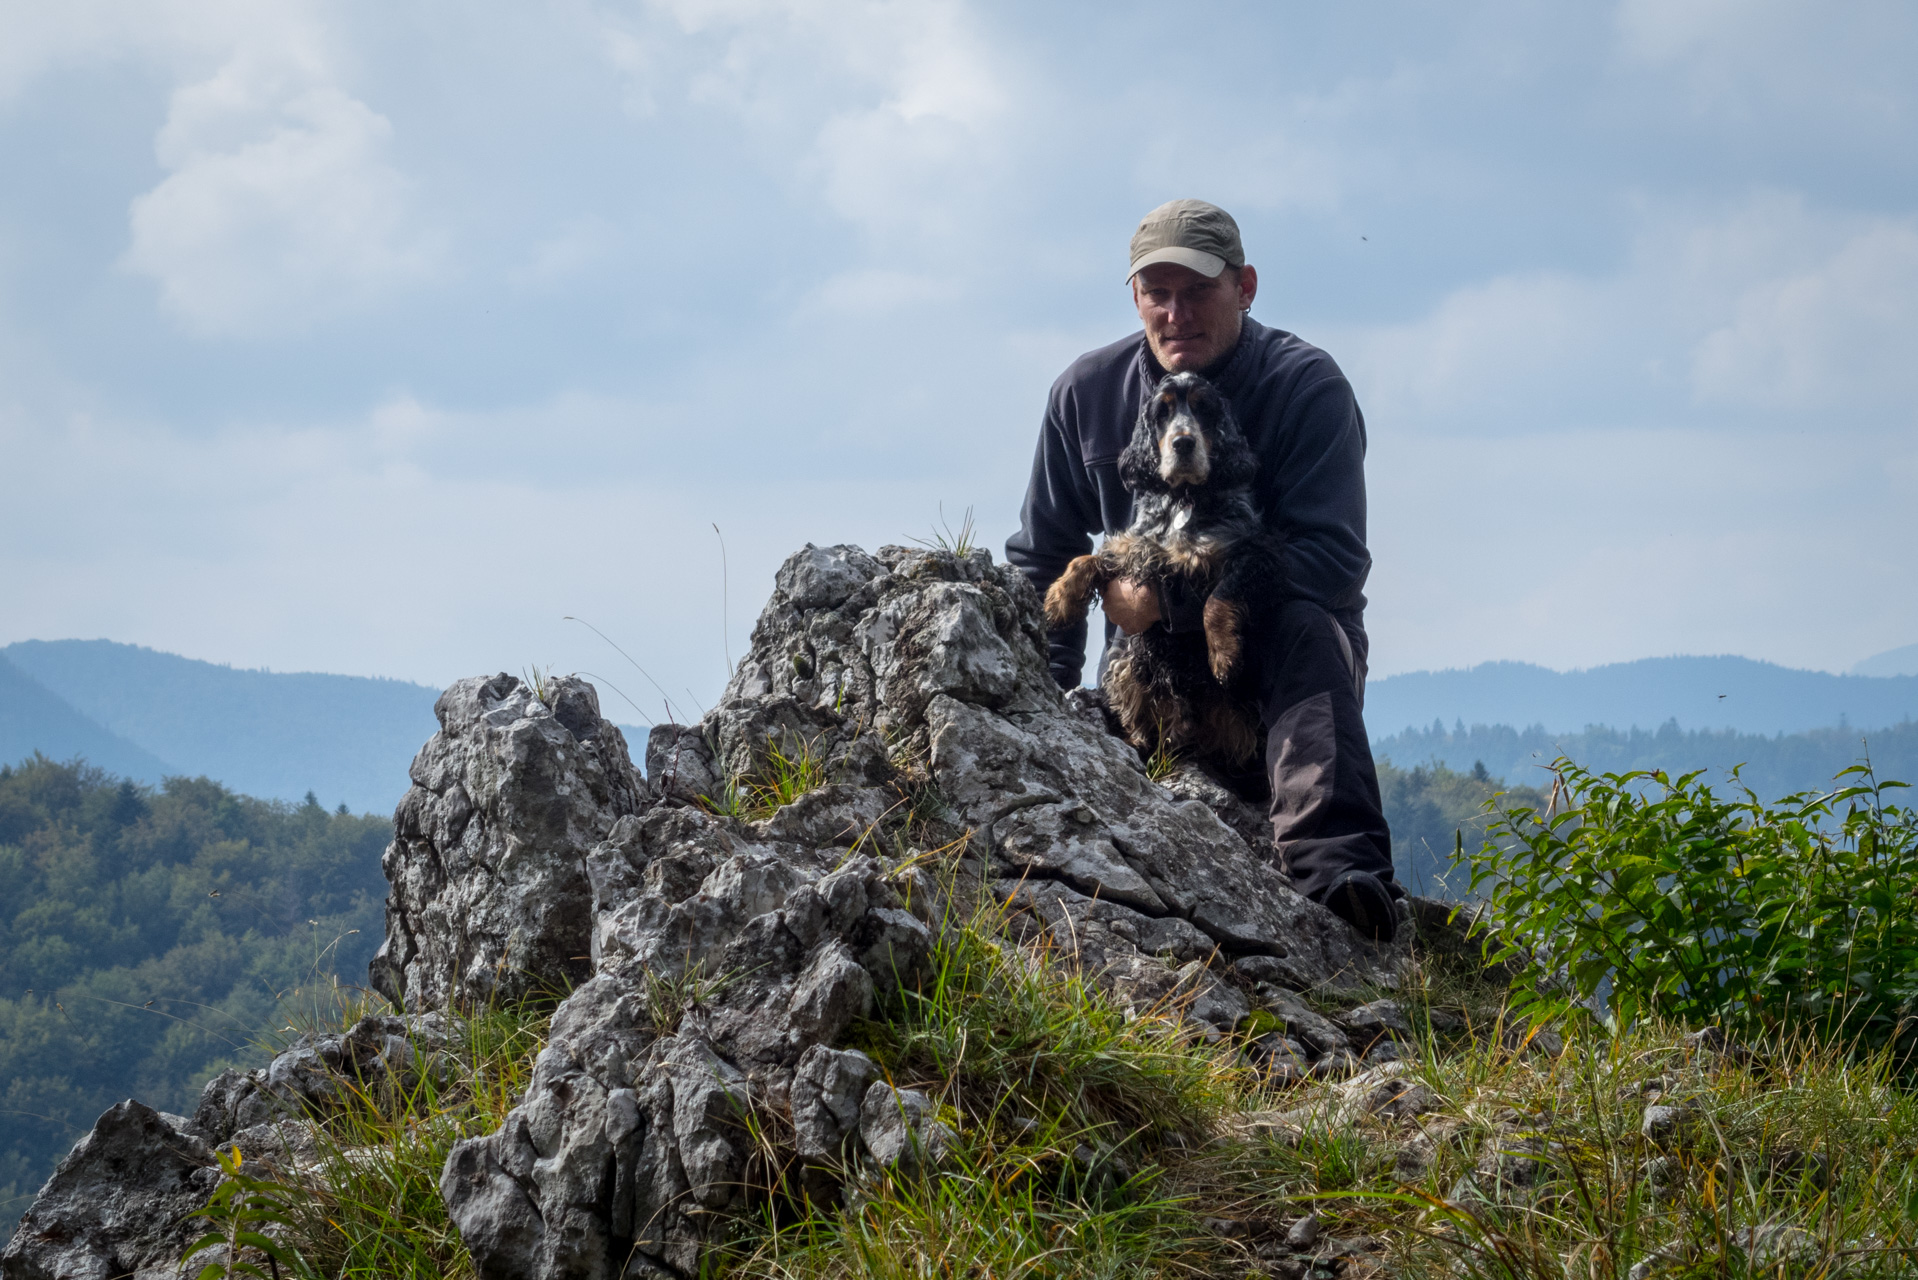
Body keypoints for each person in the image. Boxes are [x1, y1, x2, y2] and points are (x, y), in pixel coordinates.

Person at [1005, 198, 1403, 942]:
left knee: (1306, 621)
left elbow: (1333, 562)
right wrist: (1039, 703)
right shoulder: (1084, 395)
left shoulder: (1306, 385)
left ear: (1245, 287)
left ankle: (1340, 876)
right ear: (1134, 297)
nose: (1174, 312)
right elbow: (1039, 559)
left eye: (1197, 291)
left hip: (1279, 666)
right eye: (1156, 292)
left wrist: (1166, 605)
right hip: (1146, 679)